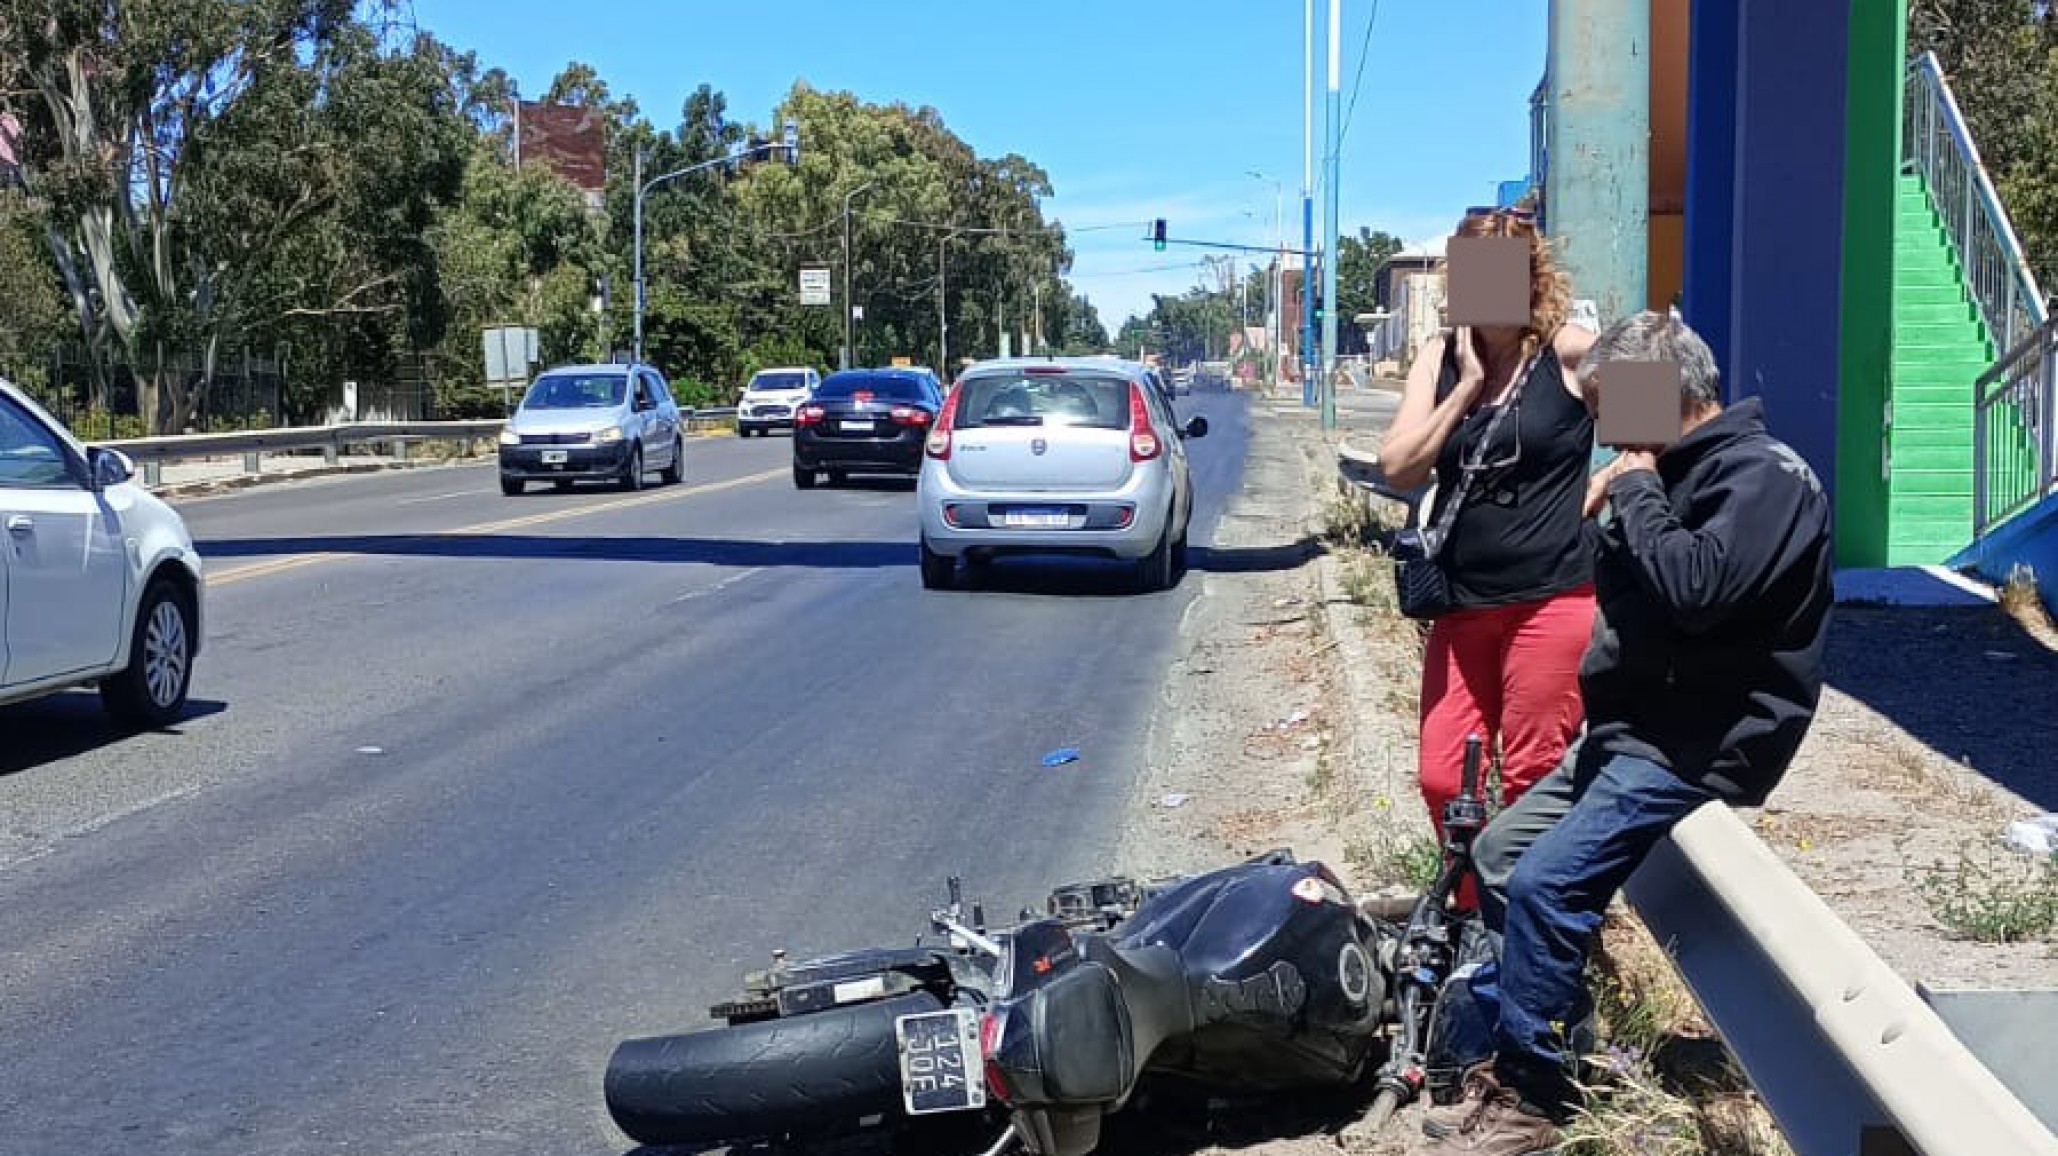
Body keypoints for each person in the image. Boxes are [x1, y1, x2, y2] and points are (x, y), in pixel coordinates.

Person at [1413, 310, 1835, 1155]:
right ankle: (1564, 1045)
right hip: (1631, 733)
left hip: (1699, 745)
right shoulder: (1675, 474)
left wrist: (1635, 487)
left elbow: (1696, 588)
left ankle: (1536, 1099)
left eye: (1613, 404)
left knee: (1545, 884)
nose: (1603, 426)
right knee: (1499, 858)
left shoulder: (1766, 479)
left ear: (1663, 393)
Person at [1379, 207, 1599, 906]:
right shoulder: (1440, 359)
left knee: (1535, 776)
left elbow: (1662, 424)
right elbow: (1399, 467)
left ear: (1532, 279)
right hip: (1461, 604)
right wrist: (1468, 387)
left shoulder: (1570, 354)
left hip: (1552, 603)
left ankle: (1528, 923)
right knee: (1445, 777)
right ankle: (1475, 909)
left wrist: (1608, 487)